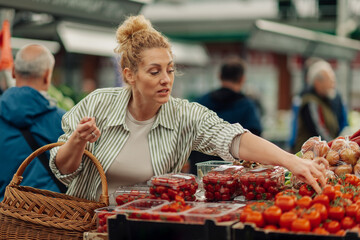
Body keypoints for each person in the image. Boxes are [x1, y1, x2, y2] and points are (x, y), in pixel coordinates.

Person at [49, 15, 327, 203]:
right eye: (154, 71)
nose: (165, 79)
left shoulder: (184, 115)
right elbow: (63, 170)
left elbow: (233, 139)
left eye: (169, 70)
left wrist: (293, 162)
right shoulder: (99, 103)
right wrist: (77, 140)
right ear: (130, 75)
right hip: (88, 222)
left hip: (143, 224)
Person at [0, 44, 66, 200]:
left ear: (14, 71)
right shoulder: (64, 122)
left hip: (4, 218)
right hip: (52, 217)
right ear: (47, 75)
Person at [189, 56, 262, 174]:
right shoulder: (247, 106)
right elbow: (255, 138)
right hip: (233, 178)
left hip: (200, 174)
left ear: (219, 76)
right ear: (242, 79)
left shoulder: (200, 102)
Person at [294, 60, 348, 152]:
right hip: (309, 155)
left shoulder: (327, 99)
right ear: (318, 83)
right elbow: (319, 131)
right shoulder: (310, 101)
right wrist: (335, 147)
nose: (333, 84)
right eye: (330, 80)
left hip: (320, 153)